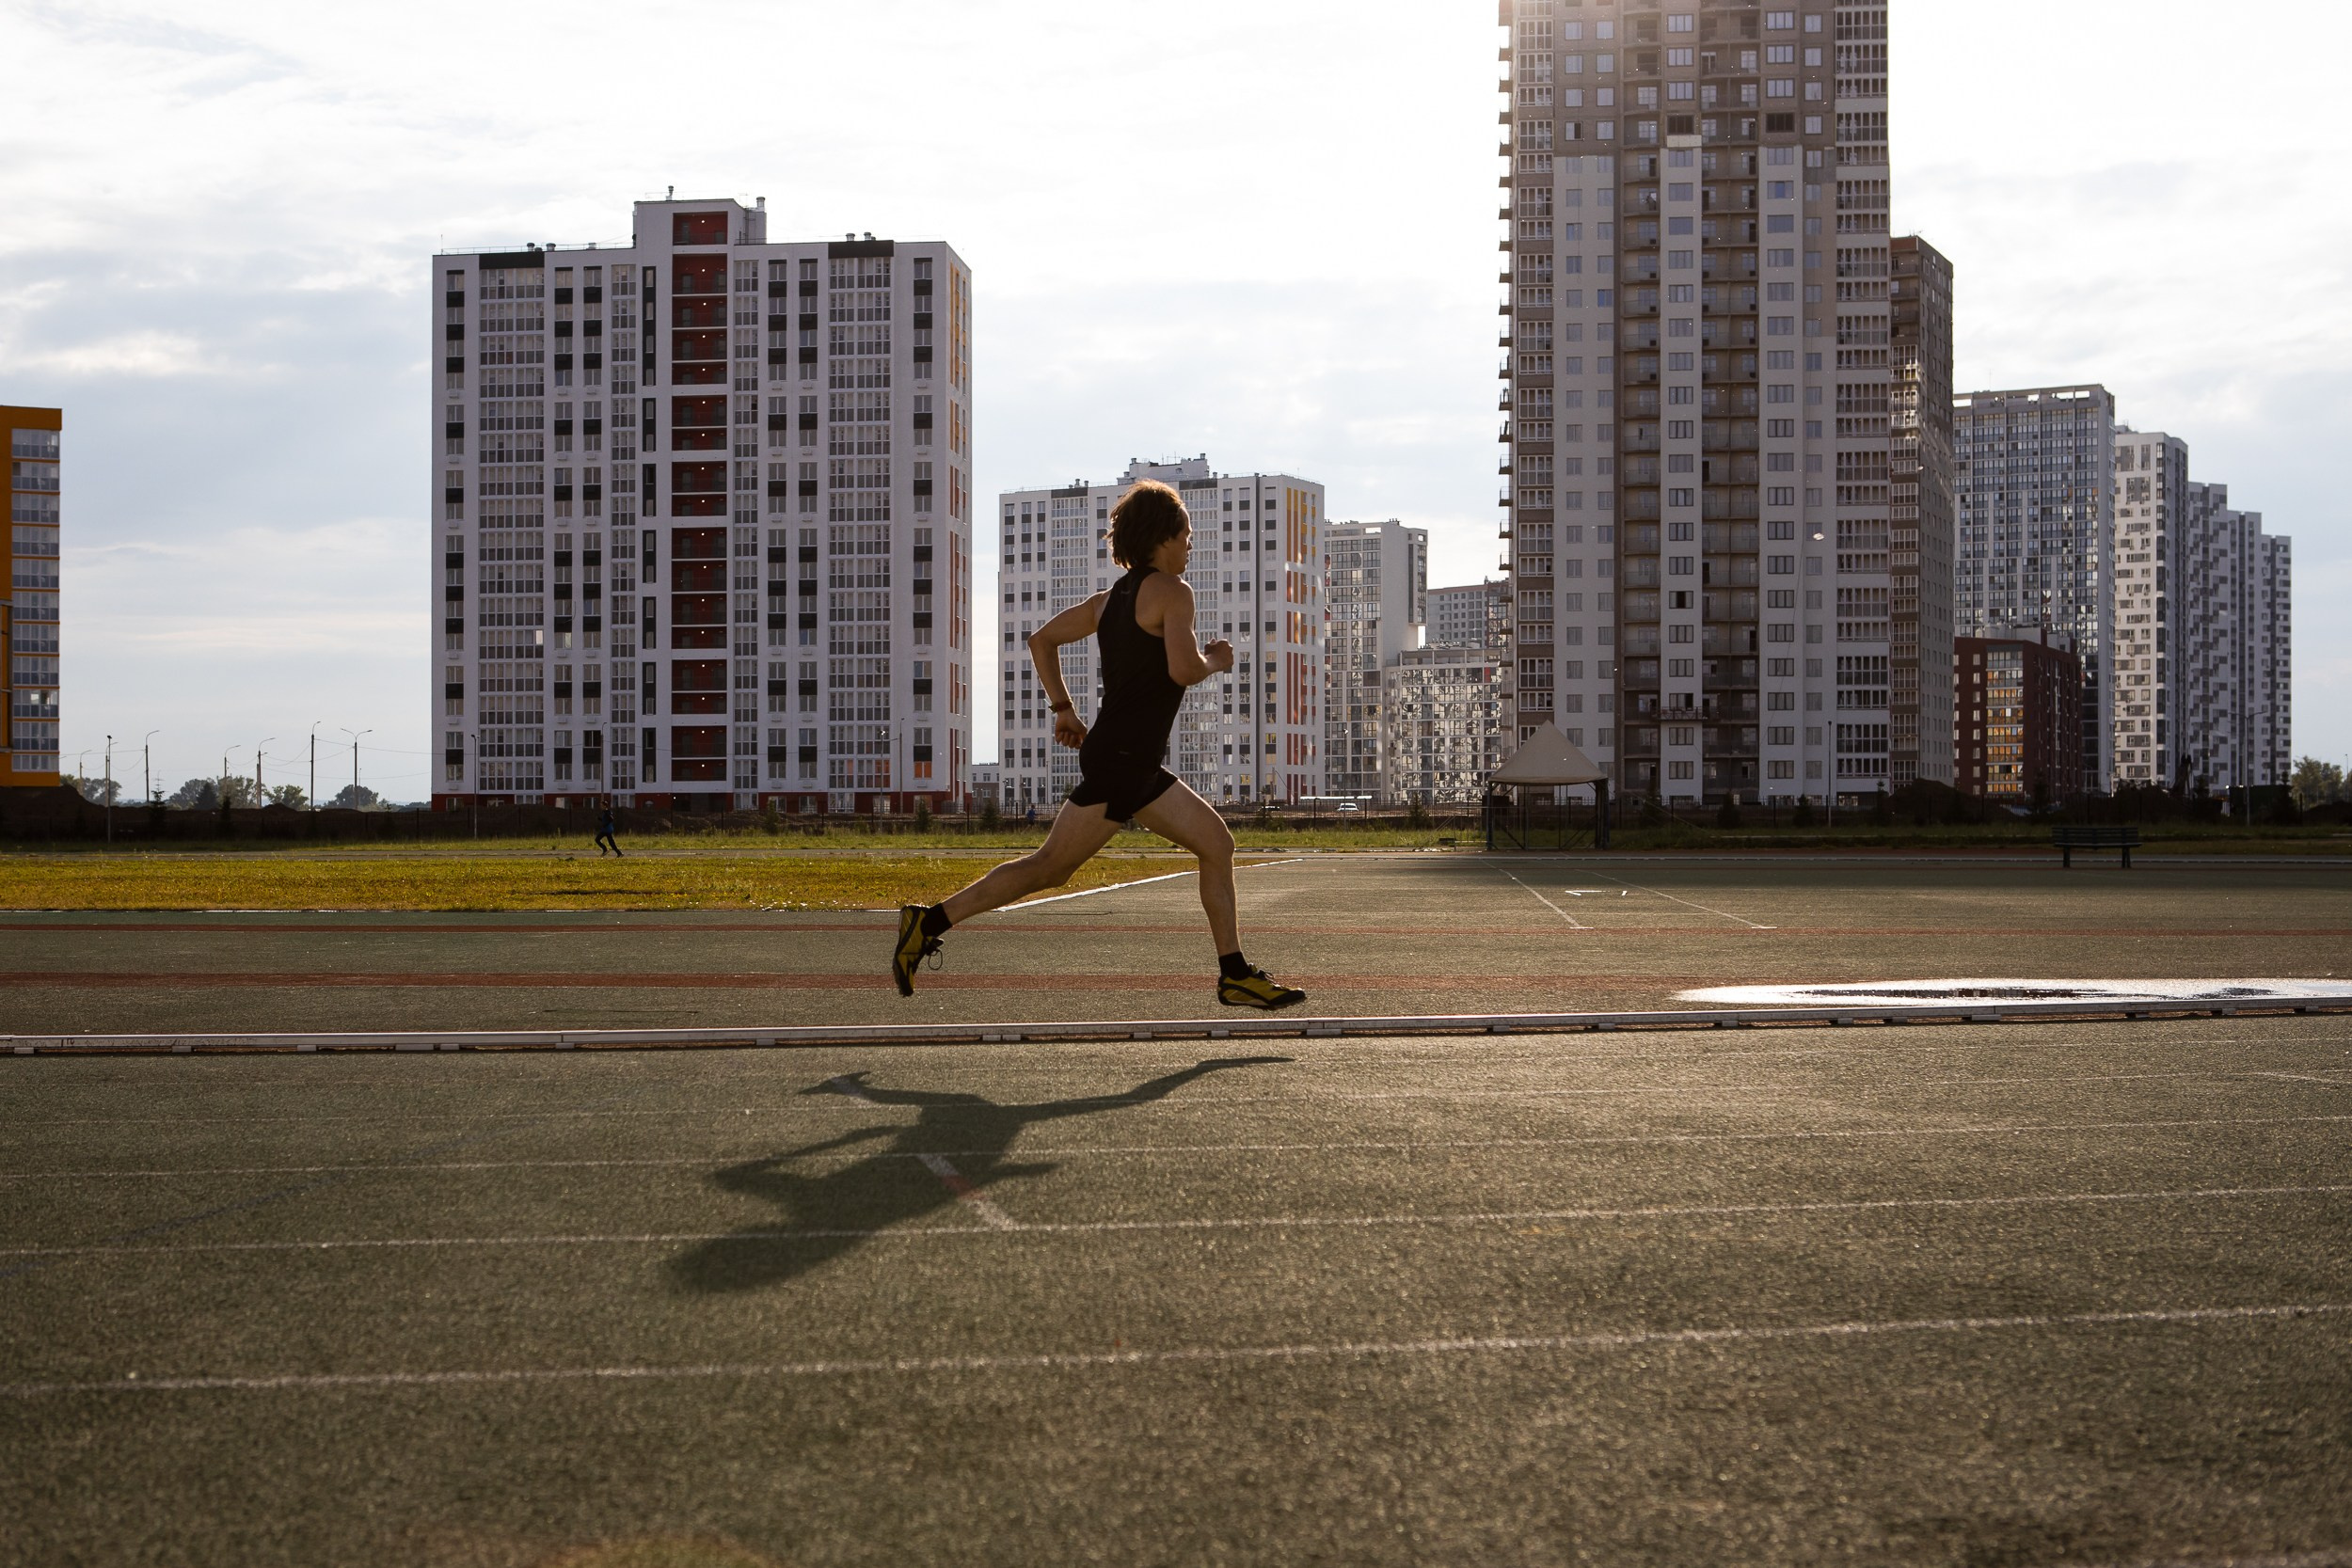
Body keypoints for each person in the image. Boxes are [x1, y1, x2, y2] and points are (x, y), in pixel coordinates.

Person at [893, 479, 1305, 1009]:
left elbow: (1041, 640)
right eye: (1186, 533)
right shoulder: (1174, 592)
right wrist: (1216, 660)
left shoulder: (1108, 601)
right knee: (1057, 867)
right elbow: (1183, 670)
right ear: (1162, 537)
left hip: (1123, 756)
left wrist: (1064, 709)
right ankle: (927, 923)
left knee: (1193, 847)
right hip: (1125, 760)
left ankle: (1235, 974)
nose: (1190, 543)